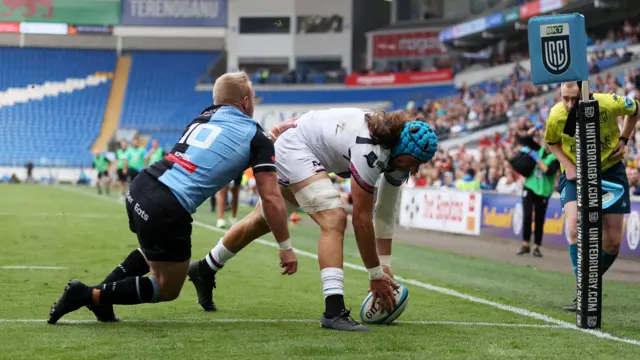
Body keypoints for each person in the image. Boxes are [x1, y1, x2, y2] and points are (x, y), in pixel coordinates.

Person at [47, 71, 297, 325]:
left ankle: (101, 300)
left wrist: (272, 133)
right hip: (166, 205)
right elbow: (270, 197)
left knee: (153, 251)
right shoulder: (256, 136)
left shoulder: (204, 116)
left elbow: (235, 139)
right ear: (245, 102)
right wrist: (285, 247)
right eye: (253, 98)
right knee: (167, 287)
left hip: (141, 187)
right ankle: (87, 294)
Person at [188, 108, 438, 332]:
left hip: (306, 146)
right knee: (334, 218)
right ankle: (333, 310)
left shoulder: (395, 151)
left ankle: (205, 268)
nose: (415, 170)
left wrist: (384, 265)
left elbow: (384, 212)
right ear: (402, 149)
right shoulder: (371, 149)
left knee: (263, 220)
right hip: (298, 146)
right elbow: (362, 220)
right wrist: (374, 275)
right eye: (414, 163)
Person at [544, 82, 639, 312]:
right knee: (575, 227)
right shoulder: (556, 114)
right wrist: (567, 164)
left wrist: (624, 139)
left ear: (588, 95)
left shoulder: (606, 103)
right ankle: (584, 289)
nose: (568, 105)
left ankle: (589, 284)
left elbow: (636, 108)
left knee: (613, 242)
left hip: (610, 170)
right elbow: (551, 142)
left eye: (573, 99)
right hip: (576, 172)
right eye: (564, 98)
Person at [516, 145, 559, 257]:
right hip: (530, 186)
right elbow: (524, 138)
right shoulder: (538, 150)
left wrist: (536, 159)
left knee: (539, 219)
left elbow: (548, 171)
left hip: (544, 191)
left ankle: (537, 246)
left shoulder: (556, 158)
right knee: (527, 216)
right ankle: (525, 244)